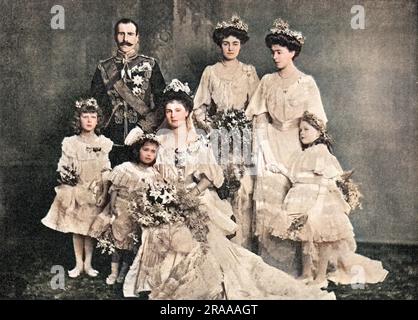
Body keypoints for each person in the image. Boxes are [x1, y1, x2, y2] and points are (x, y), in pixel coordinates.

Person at [123, 79, 335, 300]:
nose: (172, 115)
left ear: (187, 112)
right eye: (168, 111)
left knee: (201, 238)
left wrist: (190, 195)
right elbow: (154, 172)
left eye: (178, 110)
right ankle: (158, 279)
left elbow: (211, 177)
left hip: (194, 196)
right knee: (157, 228)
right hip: (167, 197)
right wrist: (164, 197)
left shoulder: (197, 141)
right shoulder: (160, 140)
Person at [268, 111, 388, 287]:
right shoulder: (303, 154)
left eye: (306, 129)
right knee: (304, 235)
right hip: (300, 196)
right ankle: (307, 273)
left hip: (318, 198)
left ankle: (321, 276)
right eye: (300, 130)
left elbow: (327, 178)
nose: (302, 133)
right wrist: (280, 169)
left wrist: (317, 205)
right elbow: (297, 176)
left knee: (323, 238)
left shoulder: (321, 152)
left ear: (318, 131)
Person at [245, 19, 327, 275]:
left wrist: (308, 148)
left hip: (296, 144)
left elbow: (316, 122)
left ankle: (295, 266)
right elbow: (258, 117)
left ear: (292, 52)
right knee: (267, 194)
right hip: (269, 142)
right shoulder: (267, 81)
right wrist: (265, 151)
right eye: (273, 52)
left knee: (293, 198)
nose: (275, 56)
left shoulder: (306, 83)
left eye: (280, 52)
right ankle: (268, 264)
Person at [192, 15, 259, 249]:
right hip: (216, 138)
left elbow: (256, 109)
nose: (230, 48)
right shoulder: (210, 72)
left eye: (235, 44)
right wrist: (212, 127)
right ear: (220, 45)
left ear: (241, 45)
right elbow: (199, 107)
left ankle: (242, 245)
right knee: (217, 185)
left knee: (243, 188)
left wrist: (242, 126)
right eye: (226, 43)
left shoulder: (249, 72)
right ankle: (221, 246)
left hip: (243, 139)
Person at [42, 98, 113, 278]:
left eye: (93, 117)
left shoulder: (103, 143)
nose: (89, 120)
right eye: (85, 116)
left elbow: (106, 169)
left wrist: (103, 189)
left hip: (94, 189)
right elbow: (63, 164)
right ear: (78, 119)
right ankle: (78, 264)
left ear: (98, 120)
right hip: (76, 189)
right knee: (76, 227)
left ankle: (88, 264)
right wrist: (66, 175)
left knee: (90, 229)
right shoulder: (71, 143)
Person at [89, 127, 161, 285]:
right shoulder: (125, 168)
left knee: (130, 244)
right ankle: (113, 272)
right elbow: (115, 189)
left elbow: (152, 196)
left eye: (153, 151)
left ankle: (123, 271)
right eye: (145, 149)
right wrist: (113, 206)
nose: (149, 154)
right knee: (117, 242)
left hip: (137, 213)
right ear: (138, 150)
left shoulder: (153, 174)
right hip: (121, 209)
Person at [91, 18, 166, 166]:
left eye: (130, 34)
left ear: (137, 37)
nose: (125, 39)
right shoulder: (103, 67)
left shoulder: (150, 65)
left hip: (142, 139)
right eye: (121, 34)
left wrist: (143, 127)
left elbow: (163, 104)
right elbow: (95, 105)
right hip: (110, 139)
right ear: (115, 36)